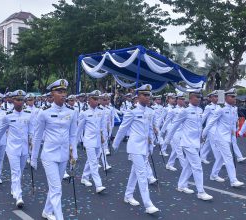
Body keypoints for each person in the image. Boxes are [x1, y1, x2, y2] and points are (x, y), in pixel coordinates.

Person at [31, 79, 78, 220]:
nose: (63, 95)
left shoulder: (72, 112)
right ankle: (59, 217)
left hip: (64, 155)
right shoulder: (43, 112)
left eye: (64, 92)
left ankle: (47, 211)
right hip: (49, 155)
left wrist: (73, 155)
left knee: (54, 187)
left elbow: (73, 135)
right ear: (52, 93)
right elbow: (37, 137)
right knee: (57, 188)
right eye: (59, 91)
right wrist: (33, 158)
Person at [113, 84, 160, 214]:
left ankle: (128, 195)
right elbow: (123, 128)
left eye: (148, 95)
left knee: (135, 173)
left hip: (145, 147)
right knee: (142, 174)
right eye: (144, 95)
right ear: (138, 96)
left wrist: (152, 145)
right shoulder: (132, 111)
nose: (147, 97)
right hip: (134, 147)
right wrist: (115, 144)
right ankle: (148, 204)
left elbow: (151, 129)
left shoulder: (150, 112)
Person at [165, 89, 213, 201]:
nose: (199, 99)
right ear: (190, 98)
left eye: (200, 97)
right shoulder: (184, 111)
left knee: (188, 166)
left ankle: (181, 185)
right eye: (196, 97)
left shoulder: (200, 110)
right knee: (197, 166)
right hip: (187, 143)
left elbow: (199, 126)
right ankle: (201, 192)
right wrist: (167, 140)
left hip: (196, 143)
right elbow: (175, 126)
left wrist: (201, 136)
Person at [0, 89, 35, 208]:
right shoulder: (7, 116)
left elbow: (32, 131)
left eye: (22, 100)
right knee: (16, 171)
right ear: (13, 101)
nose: (20, 102)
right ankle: (19, 196)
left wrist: (32, 143)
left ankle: (14, 188)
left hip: (24, 149)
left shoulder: (29, 114)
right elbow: (1, 130)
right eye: (18, 100)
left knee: (21, 172)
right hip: (12, 148)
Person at [202, 89, 245, 187]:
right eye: (232, 97)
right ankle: (233, 180)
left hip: (229, 137)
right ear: (226, 98)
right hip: (220, 137)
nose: (234, 99)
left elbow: (233, 124)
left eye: (235, 97)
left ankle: (213, 175)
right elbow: (210, 123)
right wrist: (202, 135)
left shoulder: (234, 109)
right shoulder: (220, 109)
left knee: (221, 158)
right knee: (229, 157)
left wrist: (235, 134)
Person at [77, 90, 107, 193]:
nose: (97, 101)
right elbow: (79, 129)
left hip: (98, 140)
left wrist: (103, 137)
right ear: (89, 100)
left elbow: (102, 126)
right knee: (93, 162)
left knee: (92, 160)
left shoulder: (101, 112)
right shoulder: (84, 113)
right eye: (94, 99)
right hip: (89, 140)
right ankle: (98, 185)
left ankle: (84, 177)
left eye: (97, 99)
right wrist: (74, 143)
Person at [161, 92, 186, 172]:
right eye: (181, 99)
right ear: (177, 100)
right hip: (174, 133)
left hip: (182, 132)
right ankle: (186, 168)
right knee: (179, 150)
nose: (183, 101)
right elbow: (166, 122)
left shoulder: (185, 110)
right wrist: (161, 133)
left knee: (176, 150)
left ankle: (169, 164)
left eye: (183, 99)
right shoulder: (173, 110)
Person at [200, 91, 220, 164]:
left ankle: (202, 157)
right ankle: (219, 160)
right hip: (210, 128)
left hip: (217, 128)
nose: (216, 98)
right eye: (214, 96)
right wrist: (200, 127)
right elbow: (203, 117)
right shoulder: (208, 107)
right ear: (210, 98)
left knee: (207, 144)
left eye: (217, 96)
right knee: (215, 144)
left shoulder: (219, 107)